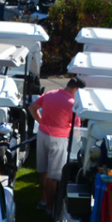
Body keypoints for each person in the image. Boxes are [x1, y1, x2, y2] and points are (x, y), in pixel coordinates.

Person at [30, 77, 84, 212]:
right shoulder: (73, 104)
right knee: (53, 177)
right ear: (76, 89)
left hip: (42, 135)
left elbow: (32, 108)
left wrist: (41, 121)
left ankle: (42, 200)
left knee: (43, 171)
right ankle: (50, 207)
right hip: (59, 139)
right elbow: (76, 130)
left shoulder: (49, 94)